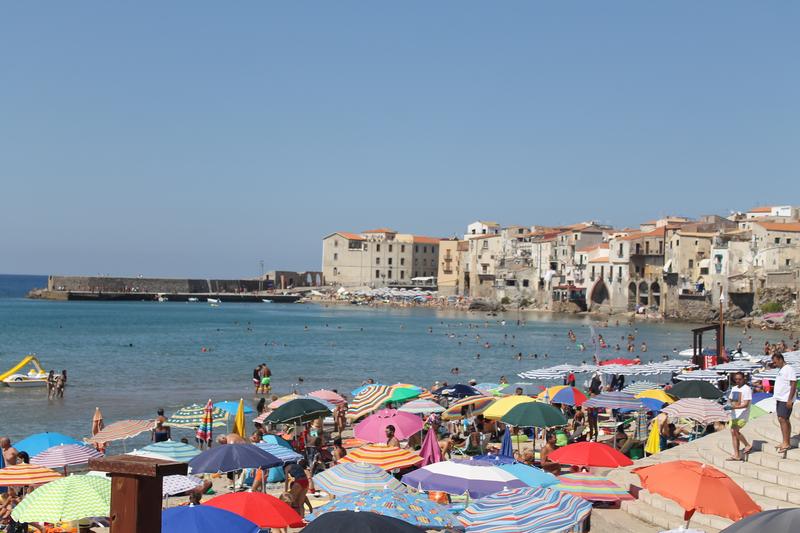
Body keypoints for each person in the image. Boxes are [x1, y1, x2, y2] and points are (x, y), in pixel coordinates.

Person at [772, 353, 797, 453]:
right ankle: (785, 441)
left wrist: (790, 399)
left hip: (786, 399)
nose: (774, 364)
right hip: (780, 399)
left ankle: (786, 443)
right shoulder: (781, 370)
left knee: (783, 419)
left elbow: (793, 384)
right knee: (782, 419)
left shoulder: (789, 369)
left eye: (775, 361)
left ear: (780, 359)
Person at [728, 371, 752, 461]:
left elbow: (746, 404)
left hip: (743, 414)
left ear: (743, 379)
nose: (738, 381)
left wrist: (734, 406)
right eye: (736, 379)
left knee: (735, 430)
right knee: (733, 433)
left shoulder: (747, 389)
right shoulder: (734, 388)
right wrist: (729, 405)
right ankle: (737, 454)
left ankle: (747, 445)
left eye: (739, 379)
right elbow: (730, 400)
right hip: (734, 414)